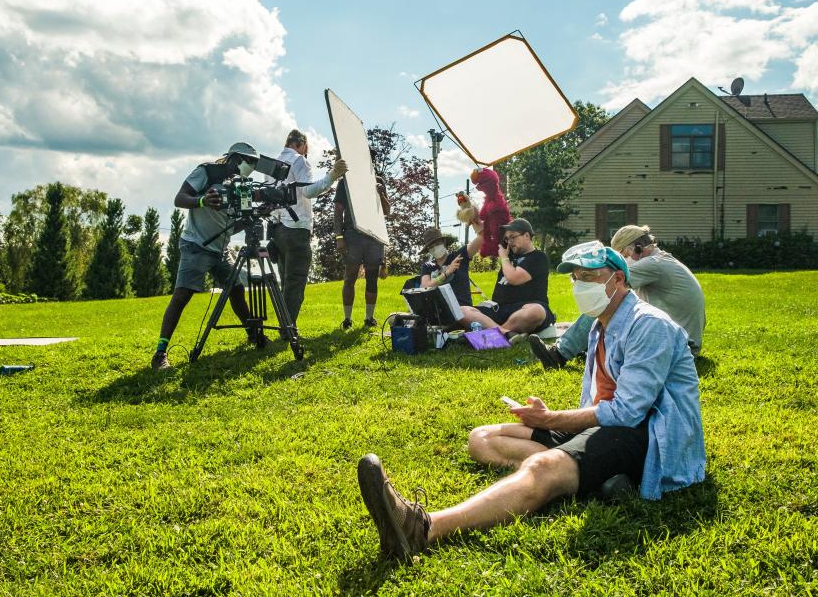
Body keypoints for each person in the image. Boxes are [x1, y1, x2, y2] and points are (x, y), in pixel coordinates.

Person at [357, 241, 706, 562]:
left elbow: (629, 412)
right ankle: (590, 479)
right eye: (576, 277)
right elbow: (600, 398)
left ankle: (423, 528)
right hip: (605, 425)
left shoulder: (648, 326)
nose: (579, 284)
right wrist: (551, 422)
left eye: (589, 277)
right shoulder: (602, 324)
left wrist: (552, 420)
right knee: (482, 438)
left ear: (617, 279)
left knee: (542, 468)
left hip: (644, 432)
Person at [529, 225, 706, 369]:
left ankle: (559, 354)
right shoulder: (662, 260)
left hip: (680, 345)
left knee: (605, 302)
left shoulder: (651, 264)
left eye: (622, 256)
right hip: (681, 339)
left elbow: (612, 293)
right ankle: (588, 345)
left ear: (635, 249)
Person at [151, 142, 261, 370]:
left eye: (254, 163)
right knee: (183, 295)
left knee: (237, 290)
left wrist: (257, 213)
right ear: (233, 158)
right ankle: (160, 353)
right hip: (196, 245)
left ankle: (253, 335)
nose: (251, 166)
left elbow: (231, 227)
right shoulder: (206, 171)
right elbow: (179, 198)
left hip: (221, 250)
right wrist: (202, 201)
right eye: (248, 161)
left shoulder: (242, 186)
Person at [268, 129, 348, 330]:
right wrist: (333, 175)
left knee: (285, 281)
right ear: (302, 144)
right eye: (307, 148)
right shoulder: (299, 161)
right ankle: (288, 328)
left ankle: (284, 325)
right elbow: (309, 191)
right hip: (296, 228)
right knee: (295, 282)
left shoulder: (272, 165)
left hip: (276, 230)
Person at [458, 218, 554, 339]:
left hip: (525, 307)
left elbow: (514, 278)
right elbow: (488, 235)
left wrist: (504, 257)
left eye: (513, 237)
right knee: (461, 310)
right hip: (499, 309)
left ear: (527, 235)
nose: (509, 242)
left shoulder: (538, 257)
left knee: (536, 312)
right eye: (507, 239)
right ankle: (505, 333)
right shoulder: (510, 256)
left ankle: (491, 332)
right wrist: (474, 217)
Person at [334, 156, 390, 328]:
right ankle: (347, 319)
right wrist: (339, 236)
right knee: (349, 278)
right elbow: (338, 210)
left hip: (374, 237)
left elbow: (387, 211)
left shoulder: (379, 181)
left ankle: (369, 318)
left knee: (372, 279)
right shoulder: (346, 181)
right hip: (352, 235)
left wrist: (380, 193)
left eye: (371, 160)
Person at [416, 223, 484, 308]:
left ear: (444, 242)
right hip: (439, 313)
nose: (434, 248)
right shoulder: (427, 266)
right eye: (431, 247)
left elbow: (482, 237)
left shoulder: (459, 256)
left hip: (463, 311)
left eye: (437, 244)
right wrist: (446, 273)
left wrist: (474, 220)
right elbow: (425, 287)